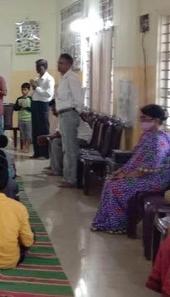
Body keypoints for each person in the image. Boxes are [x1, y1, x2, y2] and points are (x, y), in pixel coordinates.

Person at [91, 104, 170, 234]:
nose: (142, 121)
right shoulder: (147, 135)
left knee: (116, 187)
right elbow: (136, 160)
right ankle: (106, 222)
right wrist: (122, 171)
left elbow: (149, 168)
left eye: (145, 118)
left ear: (156, 121)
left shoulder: (158, 141)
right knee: (109, 181)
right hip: (141, 175)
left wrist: (126, 176)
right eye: (141, 118)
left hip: (154, 179)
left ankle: (120, 225)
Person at [39, 100, 92, 176]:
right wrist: (47, 137)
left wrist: (45, 137)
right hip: (75, 137)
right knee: (52, 140)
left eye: (54, 110)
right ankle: (53, 166)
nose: (53, 113)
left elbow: (59, 134)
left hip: (83, 139)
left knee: (56, 141)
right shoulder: (63, 115)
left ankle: (57, 170)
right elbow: (59, 132)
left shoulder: (68, 116)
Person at [56, 54, 85, 188]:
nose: (59, 65)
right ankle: (67, 176)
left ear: (69, 65)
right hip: (63, 115)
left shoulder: (72, 78)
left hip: (69, 115)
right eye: (59, 62)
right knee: (66, 148)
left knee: (70, 148)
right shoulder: (63, 78)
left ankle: (71, 179)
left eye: (61, 63)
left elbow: (78, 100)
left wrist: (74, 113)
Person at [29, 59, 56, 159]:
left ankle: (45, 154)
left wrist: (36, 88)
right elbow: (35, 92)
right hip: (35, 103)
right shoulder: (38, 78)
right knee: (35, 129)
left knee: (43, 129)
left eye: (38, 66)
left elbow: (49, 94)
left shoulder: (49, 79)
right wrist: (33, 88)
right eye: (36, 66)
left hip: (43, 105)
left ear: (44, 66)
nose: (36, 68)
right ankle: (37, 152)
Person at [13, 83, 33, 154]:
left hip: (28, 119)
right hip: (21, 119)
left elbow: (33, 109)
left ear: (28, 90)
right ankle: (23, 147)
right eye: (22, 89)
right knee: (22, 134)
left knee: (28, 134)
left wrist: (26, 107)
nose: (23, 91)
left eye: (25, 89)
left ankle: (28, 148)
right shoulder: (19, 99)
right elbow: (15, 108)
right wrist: (20, 106)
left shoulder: (30, 99)